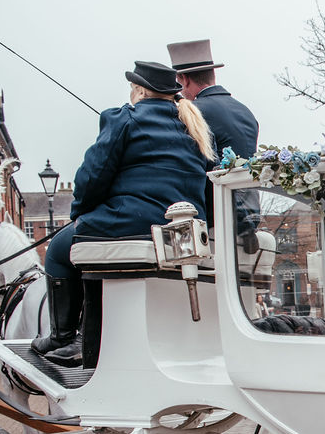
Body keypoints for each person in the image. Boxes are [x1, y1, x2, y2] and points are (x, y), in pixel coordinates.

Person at [32, 61, 215, 366]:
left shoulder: (123, 118)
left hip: (131, 223)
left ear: (139, 89)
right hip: (183, 233)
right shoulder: (194, 127)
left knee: (57, 252)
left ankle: (65, 338)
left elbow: (91, 177)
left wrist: (79, 216)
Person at [167, 39, 259, 228]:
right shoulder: (245, 111)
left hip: (216, 215)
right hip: (249, 214)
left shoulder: (192, 111)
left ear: (184, 79)